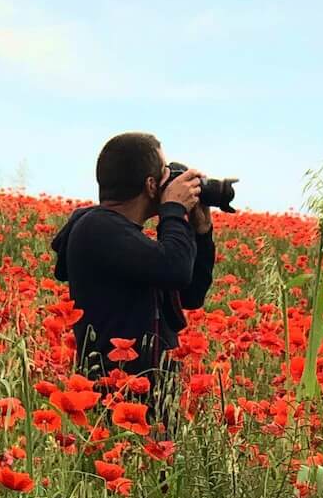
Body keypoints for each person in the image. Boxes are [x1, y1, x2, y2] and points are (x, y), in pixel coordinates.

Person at [51, 132, 217, 426]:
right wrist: (174, 210)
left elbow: (189, 294)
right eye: (165, 175)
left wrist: (201, 233)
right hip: (115, 401)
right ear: (151, 185)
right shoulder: (97, 228)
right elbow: (174, 268)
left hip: (149, 399)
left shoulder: (127, 240)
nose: (171, 184)